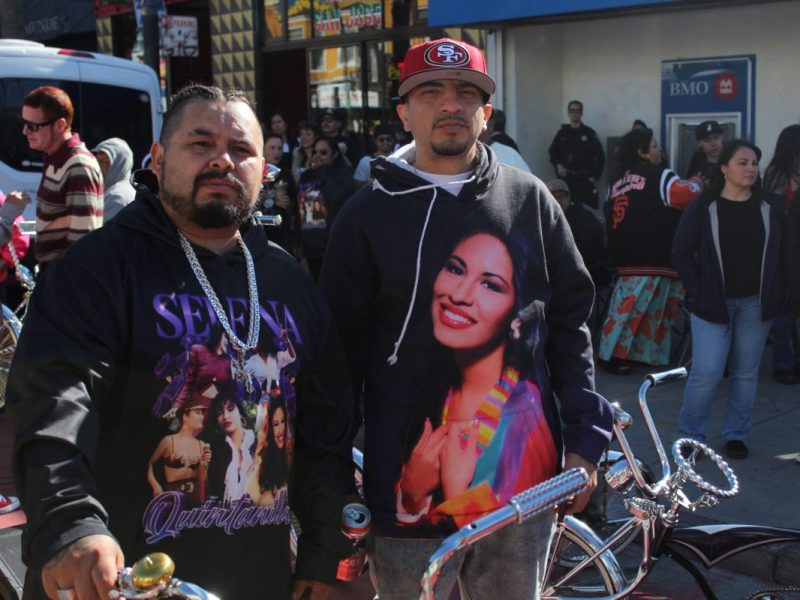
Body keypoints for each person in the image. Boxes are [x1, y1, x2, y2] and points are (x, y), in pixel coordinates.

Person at [7, 84, 354, 600]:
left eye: (241, 150)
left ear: (264, 169)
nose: (222, 161)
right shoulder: (97, 270)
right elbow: (54, 405)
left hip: (258, 577)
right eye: (200, 144)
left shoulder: (289, 280)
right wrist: (71, 523)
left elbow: (325, 430)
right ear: (157, 158)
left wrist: (325, 548)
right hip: (121, 579)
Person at [320, 37, 612, 599]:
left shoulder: (529, 201)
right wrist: (332, 474)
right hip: (403, 487)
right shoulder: (366, 215)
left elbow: (572, 323)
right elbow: (337, 357)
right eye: (430, 92)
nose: (450, 104)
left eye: (465, 92)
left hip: (523, 491)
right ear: (404, 111)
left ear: (486, 113)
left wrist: (584, 436)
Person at [397, 228, 559, 531]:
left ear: (517, 315)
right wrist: (412, 494)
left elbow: (508, 554)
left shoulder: (523, 424)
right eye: (455, 269)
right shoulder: (431, 391)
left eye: (490, 285)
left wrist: (455, 492)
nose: (458, 295)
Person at [673, 139, 786, 460]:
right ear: (724, 168)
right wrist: (698, 291)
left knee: (746, 371)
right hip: (712, 303)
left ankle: (736, 434)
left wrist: (781, 292)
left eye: (754, 163)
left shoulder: (770, 207)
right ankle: (690, 438)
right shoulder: (703, 207)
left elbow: (783, 254)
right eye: (743, 162)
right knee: (706, 372)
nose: (751, 168)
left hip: (755, 302)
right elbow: (680, 253)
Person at [599, 127, 702, 374]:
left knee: (633, 309)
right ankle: (610, 355)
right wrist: (699, 181)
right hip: (653, 254)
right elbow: (683, 195)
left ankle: (633, 355)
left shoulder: (615, 183)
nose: (660, 150)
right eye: (655, 146)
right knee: (646, 311)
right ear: (642, 152)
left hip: (624, 256)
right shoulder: (660, 175)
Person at [12, 86, 103, 270]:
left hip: (67, 280)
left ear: (60, 125)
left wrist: (59, 288)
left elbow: (83, 244)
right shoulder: (56, 158)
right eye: (24, 123)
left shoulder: (78, 165)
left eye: (33, 126)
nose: (25, 131)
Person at [763, 125, 800, 385]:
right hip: (784, 251)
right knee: (786, 311)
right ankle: (783, 364)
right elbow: (775, 212)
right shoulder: (778, 174)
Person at [297, 135, 355, 280]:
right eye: (315, 152)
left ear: (335, 154)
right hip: (310, 245)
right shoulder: (306, 176)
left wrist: (322, 170)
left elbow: (335, 195)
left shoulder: (343, 174)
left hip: (332, 245)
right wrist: (298, 243)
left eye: (323, 153)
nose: (318, 156)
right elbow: (299, 208)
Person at [546, 179, 612, 289]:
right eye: (554, 197)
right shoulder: (547, 220)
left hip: (590, 271)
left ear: (570, 197)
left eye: (562, 196)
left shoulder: (584, 218)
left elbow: (584, 253)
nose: (559, 200)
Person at [146, 397, 211, 504]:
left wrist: (203, 464)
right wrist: (155, 485)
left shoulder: (202, 445)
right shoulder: (168, 441)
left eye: (202, 413)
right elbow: (150, 464)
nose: (202, 416)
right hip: (172, 498)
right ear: (185, 416)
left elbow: (202, 479)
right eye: (198, 412)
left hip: (194, 499)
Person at [548, 100, 605, 208]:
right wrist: (558, 165)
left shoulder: (589, 133)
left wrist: (595, 177)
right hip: (566, 181)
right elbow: (552, 152)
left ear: (581, 113)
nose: (575, 113)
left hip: (584, 181)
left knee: (586, 211)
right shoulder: (562, 133)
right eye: (572, 110)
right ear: (568, 113)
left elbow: (600, 157)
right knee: (567, 211)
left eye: (578, 111)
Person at [248, 395, 291, 507]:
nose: (281, 429)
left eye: (283, 422)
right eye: (276, 424)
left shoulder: (287, 457)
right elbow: (247, 502)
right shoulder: (263, 463)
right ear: (269, 428)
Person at [261, 132, 298, 253]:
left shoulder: (286, 175)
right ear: (262, 149)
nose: (277, 152)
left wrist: (287, 205)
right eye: (272, 148)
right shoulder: (253, 172)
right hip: (257, 232)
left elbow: (295, 206)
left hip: (281, 234)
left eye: (280, 149)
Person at [92, 137, 137, 223]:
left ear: (120, 164)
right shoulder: (133, 188)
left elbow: (101, 235)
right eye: (97, 160)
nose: (98, 166)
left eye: (104, 161)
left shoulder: (115, 198)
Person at [353, 123, 395, 189]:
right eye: (381, 139)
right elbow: (358, 188)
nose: (385, 142)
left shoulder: (400, 159)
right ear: (375, 141)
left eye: (388, 139)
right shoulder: (366, 161)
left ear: (393, 141)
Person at [685, 120, 725, 184]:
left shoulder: (732, 159)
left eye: (716, 138)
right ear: (699, 143)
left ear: (722, 137)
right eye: (707, 140)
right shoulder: (697, 162)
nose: (713, 143)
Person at [291, 119, 322, 183]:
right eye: (301, 134)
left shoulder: (322, 154)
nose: (304, 138)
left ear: (316, 137)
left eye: (308, 134)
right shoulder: (297, 154)